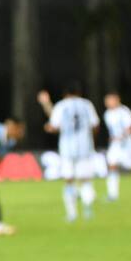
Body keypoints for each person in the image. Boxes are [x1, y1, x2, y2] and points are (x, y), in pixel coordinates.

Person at [38, 85, 100, 222]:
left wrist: (46, 106)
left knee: (69, 181)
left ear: (65, 94)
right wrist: (91, 140)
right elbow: (95, 125)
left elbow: (54, 125)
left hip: (67, 148)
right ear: (79, 92)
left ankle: (72, 214)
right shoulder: (87, 104)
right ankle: (88, 211)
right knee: (85, 180)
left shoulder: (61, 105)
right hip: (85, 147)